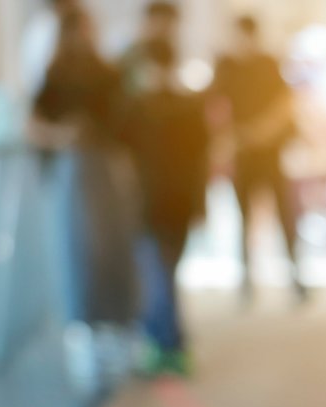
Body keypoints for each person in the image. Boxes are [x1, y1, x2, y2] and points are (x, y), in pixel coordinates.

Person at [32, 5, 142, 340]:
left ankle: (116, 320)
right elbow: (35, 121)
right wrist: (62, 136)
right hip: (71, 169)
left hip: (105, 165)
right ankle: (83, 320)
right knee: (76, 246)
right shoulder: (56, 74)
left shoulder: (108, 73)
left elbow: (126, 125)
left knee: (110, 246)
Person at [121, 1, 211, 375]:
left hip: (151, 204)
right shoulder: (190, 109)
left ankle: (167, 344)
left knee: (157, 277)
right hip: (179, 204)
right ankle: (167, 343)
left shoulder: (138, 109)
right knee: (166, 275)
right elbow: (202, 162)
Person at [211, 14, 308, 306]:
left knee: (284, 216)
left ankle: (295, 276)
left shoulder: (268, 65)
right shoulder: (226, 67)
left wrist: (262, 131)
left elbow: (285, 104)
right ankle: (246, 280)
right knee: (242, 218)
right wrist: (232, 137)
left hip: (269, 154)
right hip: (243, 155)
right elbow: (216, 107)